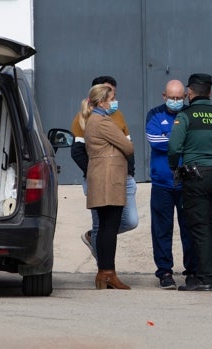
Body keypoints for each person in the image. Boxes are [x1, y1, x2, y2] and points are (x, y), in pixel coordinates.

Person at [168, 73, 212, 291]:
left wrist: (175, 166)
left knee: (200, 228)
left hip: (196, 176)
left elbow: (173, 148)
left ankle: (204, 279)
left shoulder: (186, 116)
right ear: (210, 92)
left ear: (190, 93)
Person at [71, 76, 138, 258]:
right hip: (100, 178)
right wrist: (93, 172)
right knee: (102, 224)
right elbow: (77, 151)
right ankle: (104, 268)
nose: (114, 100)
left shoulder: (116, 115)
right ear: (99, 98)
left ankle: (97, 242)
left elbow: (129, 146)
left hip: (123, 177)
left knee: (130, 221)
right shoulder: (86, 119)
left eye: (114, 95)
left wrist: (129, 173)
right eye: (110, 97)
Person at [145, 79, 198, 289]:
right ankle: (164, 271)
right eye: (171, 97)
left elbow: (195, 142)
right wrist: (180, 140)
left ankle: (192, 271)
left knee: (190, 229)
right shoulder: (155, 114)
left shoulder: (189, 114)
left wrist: (171, 138)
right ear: (164, 96)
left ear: (185, 97)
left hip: (187, 183)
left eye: (179, 97)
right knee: (161, 230)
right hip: (162, 183)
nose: (175, 101)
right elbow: (154, 140)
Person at [82, 83, 134, 290]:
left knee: (104, 227)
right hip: (108, 179)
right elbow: (128, 146)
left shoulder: (92, 120)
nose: (114, 102)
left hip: (100, 177)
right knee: (109, 228)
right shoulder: (103, 121)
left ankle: (104, 273)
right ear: (102, 101)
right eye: (112, 99)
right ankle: (108, 273)